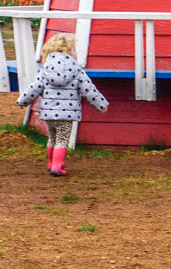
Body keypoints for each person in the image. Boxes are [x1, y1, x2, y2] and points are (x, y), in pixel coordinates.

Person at [16, 33, 109, 177]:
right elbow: (89, 89)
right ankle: (57, 166)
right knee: (62, 138)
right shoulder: (76, 70)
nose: (75, 53)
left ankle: (51, 162)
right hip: (66, 113)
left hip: (49, 113)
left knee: (52, 137)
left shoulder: (46, 69)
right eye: (74, 50)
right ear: (68, 52)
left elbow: (34, 87)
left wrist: (23, 101)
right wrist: (101, 104)